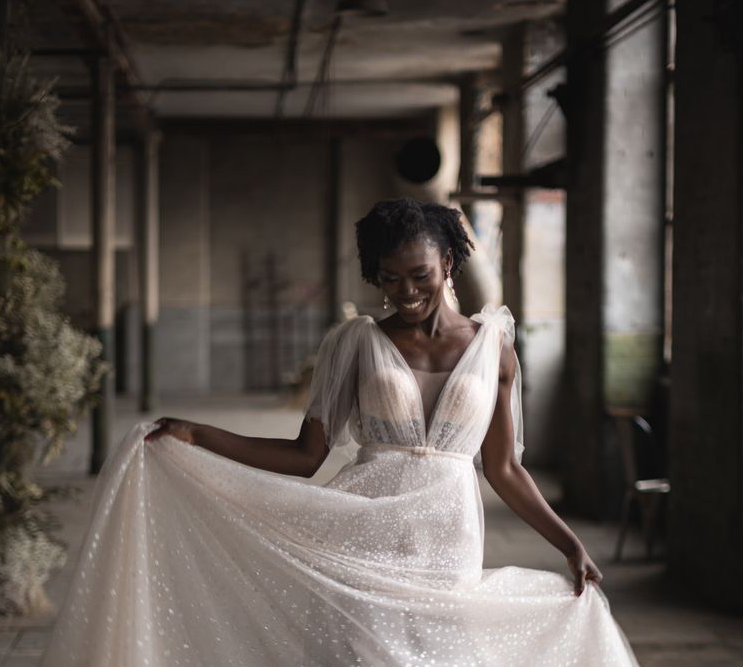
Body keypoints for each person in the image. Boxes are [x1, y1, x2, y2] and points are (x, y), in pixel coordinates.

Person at [40, 198, 639, 666]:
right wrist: (201, 435)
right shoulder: (355, 344)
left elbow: (504, 469)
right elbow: (307, 456)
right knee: (359, 657)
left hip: (447, 541)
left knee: (443, 656)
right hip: (362, 528)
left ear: (449, 264)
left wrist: (569, 544)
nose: (404, 292)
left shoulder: (495, 349)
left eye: (419, 274)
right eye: (388, 278)